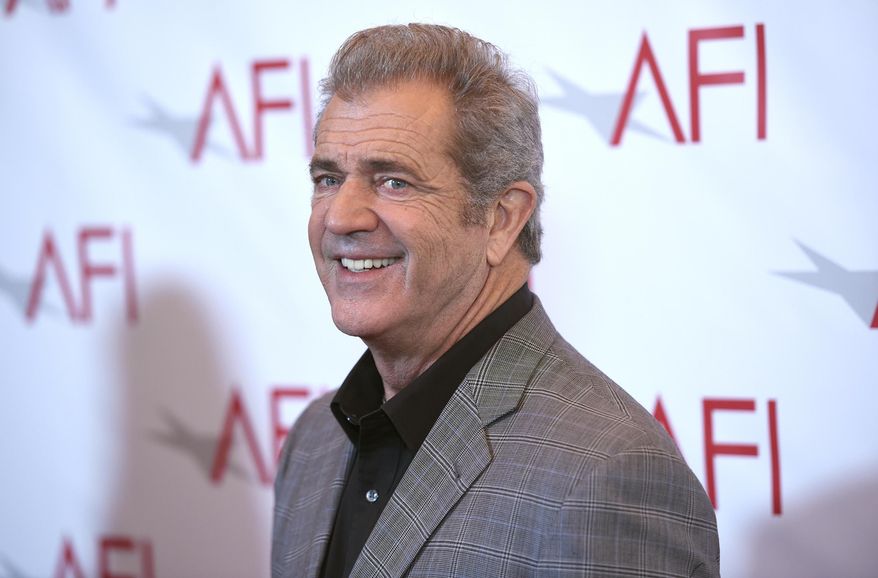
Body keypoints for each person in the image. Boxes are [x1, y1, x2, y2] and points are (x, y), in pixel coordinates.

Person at [272, 23, 720, 578]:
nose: (340, 217)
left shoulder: (606, 471)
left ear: (503, 219)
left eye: (393, 182)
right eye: (327, 178)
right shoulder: (313, 440)